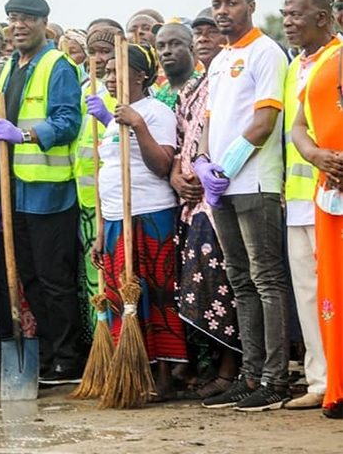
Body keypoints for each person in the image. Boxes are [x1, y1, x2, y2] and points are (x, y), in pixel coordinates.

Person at [196, 0, 291, 412]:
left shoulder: (266, 52)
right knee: (240, 280)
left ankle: (276, 378)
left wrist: (225, 167)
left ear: (250, 6)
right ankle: (251, 373)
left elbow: (264, 122)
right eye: (217, 3)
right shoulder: (219, 59)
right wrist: (204, 164)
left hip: (255, 182)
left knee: (266, 279)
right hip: (223, 187)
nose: (221, 11)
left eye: (231, 3)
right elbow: (214, 121)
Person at [0, 0, 83, 385]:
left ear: (44, 22)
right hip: (15, 191)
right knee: (28, 279)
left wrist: (24, 134)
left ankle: (68, 359)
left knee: (54, 279)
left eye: (27, 18)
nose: (19, 25)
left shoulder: (57, 65)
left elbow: (68, 122)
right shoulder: (11, 65)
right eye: (13, 18)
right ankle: (46, 352)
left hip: (49, 191)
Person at [91, 43, 188, 401]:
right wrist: (101, 231)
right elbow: (107, 172)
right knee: (123, 296)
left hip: (149, 214)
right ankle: (131, 371)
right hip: (116, 217)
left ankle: (163, 376)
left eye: (119, 70)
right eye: (108, 72)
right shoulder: (113, 118)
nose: (111, 77)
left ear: (140, 75)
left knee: (156, 295)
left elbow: (162, 164)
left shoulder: (156, 111)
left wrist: (139, 125)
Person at [159, 24, 239, 399]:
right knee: (194, 287)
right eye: (200, 34)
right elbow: (179, 143)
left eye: (212, 33)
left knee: (222, 285)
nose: (205, 40)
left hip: (220, 196)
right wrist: (177, 174)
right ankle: (206, 364)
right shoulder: (190, 90)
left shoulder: (229, 82)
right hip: (188, 203)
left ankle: (230, 368)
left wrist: (207, 176)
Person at [281, 0, 341, 410]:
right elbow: (296, 127)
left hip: (328, 193)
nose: (287, 22)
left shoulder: (331, 57)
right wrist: (315, 154)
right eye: (283, 14)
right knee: (313, 293)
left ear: (323, 17)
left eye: (295, 14)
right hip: (308, 194)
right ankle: (321, 381)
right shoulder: (297, 66)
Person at [74, 28, 116, 344]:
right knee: (92, 277)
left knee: (116, 277)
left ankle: (120, 341)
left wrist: (107, 118)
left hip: (115, 200)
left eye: (106, 51)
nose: (99, 59)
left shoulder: (123, 87)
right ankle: (98, 346)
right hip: (84, 200)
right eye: (94, 51)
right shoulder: (83, 89)